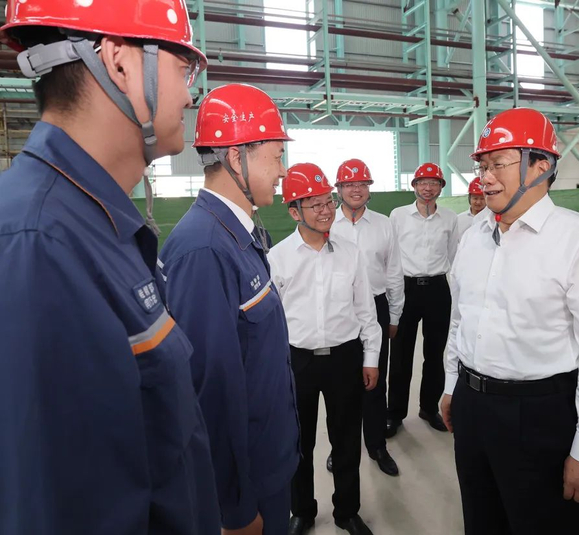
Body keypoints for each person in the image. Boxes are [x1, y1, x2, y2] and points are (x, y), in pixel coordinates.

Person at [0, 1, 220, 534]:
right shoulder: (40, 245)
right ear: (120, 62)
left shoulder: (91, 219)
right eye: (183, 68)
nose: (190, 95)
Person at [441, 107, 579, 535]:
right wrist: (453, 385)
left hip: (540, 416)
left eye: (498, 163)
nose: (486, 177)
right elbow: (460, 320)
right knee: (482, 521)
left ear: (541, 165)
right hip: (472, 407)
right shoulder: (473, 237)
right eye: (482, 166)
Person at [157, 84, 299, 535]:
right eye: (277, 156)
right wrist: (234, 509)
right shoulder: (204, 249)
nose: (283, 170)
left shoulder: (238, 233)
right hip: (247, 489)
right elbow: (208, 393)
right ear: (238, 158)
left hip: (269, 464)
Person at [268, 163, 381, 535]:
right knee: (297, 442)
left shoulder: (350, 253)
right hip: (296, 361)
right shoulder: (278, 258)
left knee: (346, 440)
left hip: (344, 359)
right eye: (314, 204)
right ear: (294, 212)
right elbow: (272, 322)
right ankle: (302, 510)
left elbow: (365, 310)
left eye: (328, 201)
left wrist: (371, 357)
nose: (326, 210)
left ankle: (347, 511)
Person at [328, 158, 404, 477]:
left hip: (376, 306)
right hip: (340, 309)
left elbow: (394, 271)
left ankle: (377, 445)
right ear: (339, 189)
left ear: (369, 189)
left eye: (361, 183)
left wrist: (395, 314)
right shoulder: (327, 222)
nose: (356, 189)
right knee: (341, 384)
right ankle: (340, 448)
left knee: (375, 379)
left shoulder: (384, 224)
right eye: (349, 184)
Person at [386, 163, 459, 437]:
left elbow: (453, 255)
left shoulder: (450, 218)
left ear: (441, 187)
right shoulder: (398, 215)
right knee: (401, 354)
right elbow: (391, 256)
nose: (428, 188)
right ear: (414, 186)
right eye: (423, 182)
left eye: (434, 183)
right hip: (407, 288)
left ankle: (429, 408)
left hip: (438, 288)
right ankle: (395, 413)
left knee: (435, 353)